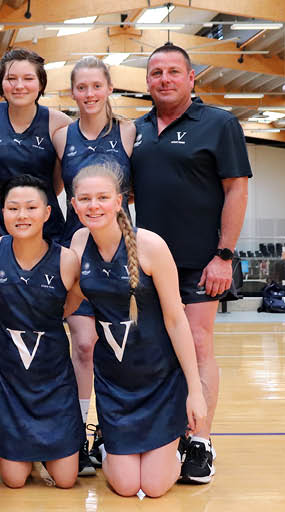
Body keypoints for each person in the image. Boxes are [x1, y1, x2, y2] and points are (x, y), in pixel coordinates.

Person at [129, 43, 251, 484]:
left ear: (191, 78)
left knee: (199, 345)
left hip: (202, 261)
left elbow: (236, 189)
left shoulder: (220, 124)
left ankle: (200, 441)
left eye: (173, 71)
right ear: (147, 81)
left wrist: (224, 255)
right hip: (148, 263)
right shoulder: (135, 131)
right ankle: (162, 431)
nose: (164, 79)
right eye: (156, 72)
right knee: (155, 348)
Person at [67, 164, 206, 498]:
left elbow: (176, 320)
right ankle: (108, 442)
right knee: (127, 485)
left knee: (154, 487)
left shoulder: (151, 246)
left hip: (160, 380)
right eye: (85, 199)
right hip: (115, 384)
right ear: (74, 205)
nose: (93, 205)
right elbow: (68, 302)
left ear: (119, 201)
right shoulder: (79, 243)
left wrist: (195, 390)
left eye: (103, 197)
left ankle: (178, 443)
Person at [54, 55, 137, 473]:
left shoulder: (129, 131)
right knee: (84, 344)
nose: (89, 94)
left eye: (96, 86)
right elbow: (50, 188)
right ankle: (79, 433)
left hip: (121, 250)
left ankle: (111, 429)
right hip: (78, 249)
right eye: (81, 87)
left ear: (109, 88)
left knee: (118, 347)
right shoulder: (61, 136)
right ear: (73, 92)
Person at [0, 175, 83, 489]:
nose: (22, 215)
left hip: (54, 381)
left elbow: (69, 307)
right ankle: (12, 445)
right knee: (14, 480)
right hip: (10, 381)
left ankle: (47, 447)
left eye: (31, 207)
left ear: (47, 213)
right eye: (13, 208)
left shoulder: (67, 260)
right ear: (2, 213)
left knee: (66, 480)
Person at [0, 48, 71, 241]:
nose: (19, 86)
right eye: (11, 78)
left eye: (28, 78)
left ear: (41, 83)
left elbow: (57, 185)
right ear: (1, 83)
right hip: (0, 230)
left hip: (47, 232)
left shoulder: (59, 122)